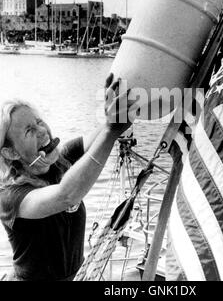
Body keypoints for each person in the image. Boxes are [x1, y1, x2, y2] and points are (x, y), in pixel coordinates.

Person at [0, 73, 136, 281]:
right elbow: (66, 196)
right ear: (11, 153)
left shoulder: (63, 159)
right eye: (29, 130)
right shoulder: (10, 196)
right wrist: (111, 130)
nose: (42, 131)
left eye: (39, 122)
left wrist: (116, 106)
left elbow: (102, 134)